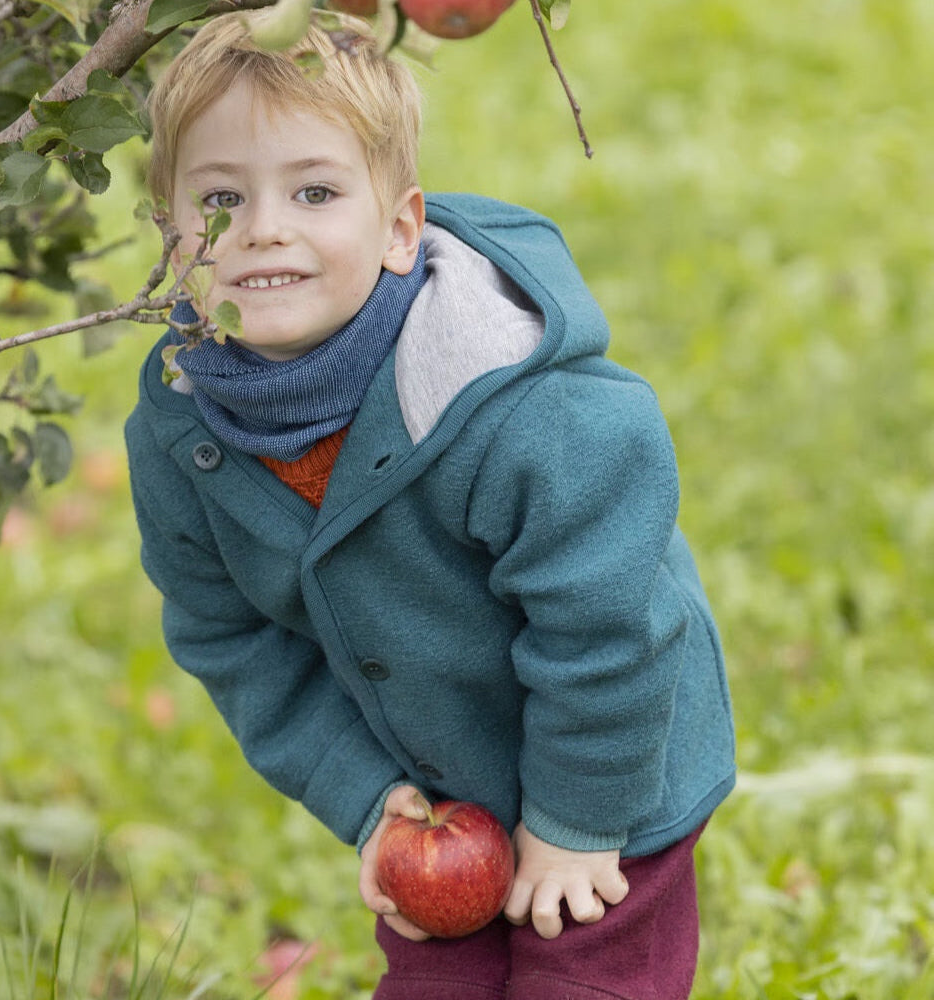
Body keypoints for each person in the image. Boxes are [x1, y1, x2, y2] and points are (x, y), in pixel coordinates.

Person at [125, 10, 735, 999]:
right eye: (221, 198)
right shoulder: (181, 433)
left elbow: (609, 631)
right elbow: (230, 638)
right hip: (439, 794)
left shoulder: (525, 411)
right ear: (168, 235)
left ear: (401, 227)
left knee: (582, 979)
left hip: (613, 759)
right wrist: (371, 799)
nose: (263, 227)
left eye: (314, 191)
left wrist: (579, 821)